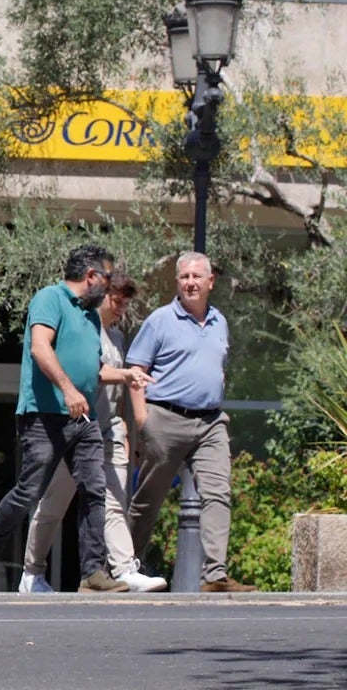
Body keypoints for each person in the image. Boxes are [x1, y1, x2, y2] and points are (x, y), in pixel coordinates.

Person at [0, 245, 130, 593]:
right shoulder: (49, 299)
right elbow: (41, 347)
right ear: (91, 276)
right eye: (108, 277)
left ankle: (92, 573)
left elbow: (94, 368)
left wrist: (127, 376)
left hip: (81, 418)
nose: (110, 285)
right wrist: (69, 390)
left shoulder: (88, 315)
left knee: (94, 490)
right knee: (29, 492)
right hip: (44, 416)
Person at [17, 270, 166, 593]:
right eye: (116, 301)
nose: (121, 309)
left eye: (126, 303)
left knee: (113, 500)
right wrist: (126, 375)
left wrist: (127, 429)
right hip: (77, 429)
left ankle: (124, 568)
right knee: (54, 504)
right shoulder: (83, 329)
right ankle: (31, 573)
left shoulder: (117, 336)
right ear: (101, 296)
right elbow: (94, 374)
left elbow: (119, 391)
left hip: (109, 430)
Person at [125, 252, 257, 593]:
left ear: (210, 282)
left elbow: (218, 365)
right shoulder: (160, 320)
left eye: (197, 276)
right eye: (184, 277)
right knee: (148, 498)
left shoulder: (219, 321)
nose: (190, 282)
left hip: (211, 422)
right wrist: (143, 421)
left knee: (218, 494)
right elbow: (136, 372)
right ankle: (123, 568)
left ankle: (215, 575)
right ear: (177, 282)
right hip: (166, 419)